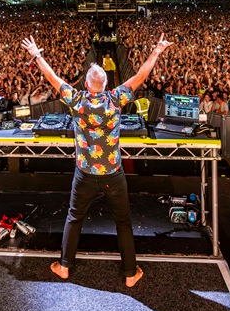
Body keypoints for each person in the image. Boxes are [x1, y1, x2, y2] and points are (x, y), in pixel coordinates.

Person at [21, 32, 174, 289]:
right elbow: (140, 77)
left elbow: (52, 78)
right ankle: (129, 274)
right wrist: (156, 52)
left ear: (86, 85)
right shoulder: (115, 99)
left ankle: (65, 267)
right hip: (113, 174)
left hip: (84, 174)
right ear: (105, 85)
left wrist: (37, 54)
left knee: (74, 217)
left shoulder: (78, 101)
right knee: (123, 221)